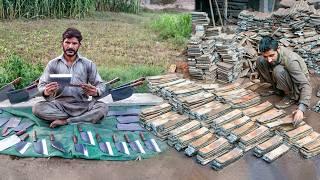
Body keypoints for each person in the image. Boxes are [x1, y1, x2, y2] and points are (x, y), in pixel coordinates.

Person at [32, 28, 108, 128]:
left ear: (79, 45)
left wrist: (96, 91)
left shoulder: (88, 64)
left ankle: (66, 121)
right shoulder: (53, 64)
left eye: (74, 43)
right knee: (37, 108)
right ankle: (82, 119)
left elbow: (101, 85)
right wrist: (46, 91)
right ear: (62, 43)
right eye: (67, 42)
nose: (70, 46)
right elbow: (42, 84)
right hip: (60, 105)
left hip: (83, 105)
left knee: (103, 107)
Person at [256, 36, 312, 126]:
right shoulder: (268, 57)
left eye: (271, 55)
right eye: (266, 56)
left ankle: (291, 96)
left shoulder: (290, 60)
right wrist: (266, 58)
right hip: (284, 77)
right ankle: (277, 89)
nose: (269, 59)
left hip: (296, 84)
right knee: (260, 60)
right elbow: (266, 59)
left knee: (278, 70)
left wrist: (301, 109)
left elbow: (305, 84)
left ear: (278, 49)